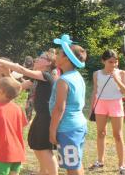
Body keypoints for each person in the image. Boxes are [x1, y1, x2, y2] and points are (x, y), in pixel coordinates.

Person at [0, 51, 59, 175]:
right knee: (37, 146)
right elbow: (17, 87)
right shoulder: (37, 77)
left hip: (47, 117)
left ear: (48, 63)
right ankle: (43, 172)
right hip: (40, 116)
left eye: (41, 58)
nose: (36, 59)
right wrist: (8, 73)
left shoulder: (46, 75)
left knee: (45, 149)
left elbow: (21, 69)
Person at [49, 34, 87, 175]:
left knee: (72, 166)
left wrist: (52, 131)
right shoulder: (77, 77)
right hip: (78, 125)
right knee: (76, 162)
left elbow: (59, 109)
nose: (56, 56)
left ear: (66, 58)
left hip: (67, 128)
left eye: (59, 54)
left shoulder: (63, 81)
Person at [88, 49, 125, 175]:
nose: (114, 64)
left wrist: (117, 79)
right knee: (101, 133)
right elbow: (95, 91)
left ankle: (122, 165)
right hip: (101, 104)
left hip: (115, 104)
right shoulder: (96, 74)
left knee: (118, 135)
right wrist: (92, 108)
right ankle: (100, 161)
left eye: (115, 62)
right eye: (110, 62)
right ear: (103, 61)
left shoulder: (121, 73)